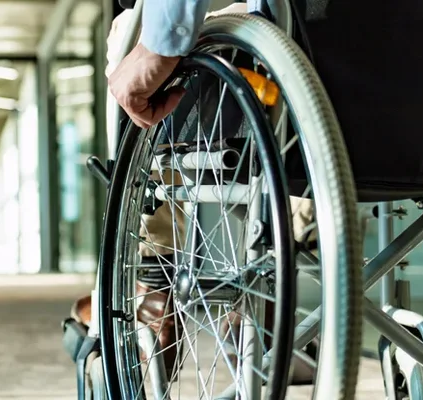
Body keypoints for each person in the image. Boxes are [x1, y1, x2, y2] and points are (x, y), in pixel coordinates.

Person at [69, 1, 318, 381]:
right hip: (409, 115)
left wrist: (157, 45)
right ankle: (287, 261)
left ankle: (155, 287)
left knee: (131, 29)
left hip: (299, 41)